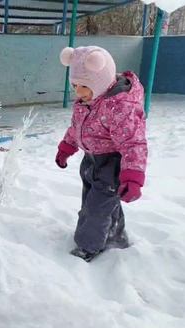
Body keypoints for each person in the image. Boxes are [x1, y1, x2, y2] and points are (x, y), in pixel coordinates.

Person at [55, 46, 148, 262]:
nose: (78, 91)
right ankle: (115, 235)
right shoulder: (87, 101)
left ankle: (89, 246)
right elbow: (76, 127)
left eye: (84, 86)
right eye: (75, 85)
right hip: (91, 161)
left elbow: (134, 142)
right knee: (96, 203)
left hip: (112, 165)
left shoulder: (120, 107)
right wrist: (66, 147)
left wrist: (133, 177)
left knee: (96, 208)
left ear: (101, 81)